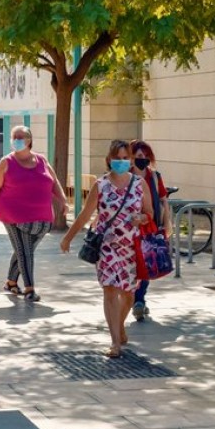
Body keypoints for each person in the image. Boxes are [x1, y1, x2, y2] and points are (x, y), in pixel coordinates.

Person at [60, 140, 153, 358]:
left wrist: (141, 217)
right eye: (116, 158)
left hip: (131, 247)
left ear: (130, 160)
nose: (121, 162)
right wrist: (68, 237)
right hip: (107, 248)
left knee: (129, 295)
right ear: (109, 160)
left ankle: (119, 326)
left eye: (125, 158)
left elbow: (149, 213)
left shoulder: (139, 184)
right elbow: (85, 215)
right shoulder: (100, 185)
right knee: (110, 290)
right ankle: (114, 342)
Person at [0, 125, 68, 302]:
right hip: (13, 215)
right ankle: (30, 288)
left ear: (29, 140)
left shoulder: (41, 160)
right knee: (25, 252)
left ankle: (10, 282)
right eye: (14, 137)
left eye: (21, 137)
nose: (17, 140)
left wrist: (63, 200)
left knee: (24, 250)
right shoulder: (6, 163)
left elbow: (54, 182)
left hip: (42, 217)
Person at [130, 140, 172, 321]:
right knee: (132, 264)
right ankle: (134, 299)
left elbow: (163, 200)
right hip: (129, 228)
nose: (143, 159)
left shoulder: (154, 177)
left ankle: (139, 300)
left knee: (146, 263)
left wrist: (167, 222)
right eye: (139, 156)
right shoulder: (125, 175)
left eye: (146, 156)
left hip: (149, 226)